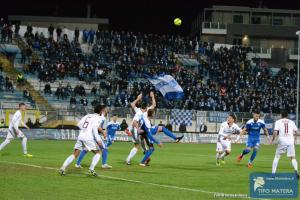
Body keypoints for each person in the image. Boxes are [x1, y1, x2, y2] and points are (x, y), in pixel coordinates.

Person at [59, 105, 108, 176]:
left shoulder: (88, 115)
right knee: (99, 152)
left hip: (81, 136)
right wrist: (98, 140)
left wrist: (85, 129)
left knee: (75, 154)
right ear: (101, 111)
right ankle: (91, 169)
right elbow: (94, 128)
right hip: (88, 137)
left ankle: (63, 168)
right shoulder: (98, 118)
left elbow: (79, 124)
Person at [75, 105, 112, 169]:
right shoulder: (101, 117)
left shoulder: (100, 116)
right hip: (94, 135)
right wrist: (103, 132)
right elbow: (98, 126)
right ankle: (104, 164)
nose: (107, 110)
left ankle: (77, 164)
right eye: (106, 109)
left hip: (90, 135)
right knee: (104, 149)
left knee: (85, 149)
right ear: (103, 110)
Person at [125, 92, 155, 165]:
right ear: (146, 107)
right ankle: (128, 160)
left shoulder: (138, 110)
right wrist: (153, 96)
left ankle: (146, 159)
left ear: (141, 106)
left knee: (142, 143)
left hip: (139, 130)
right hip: (136, 130)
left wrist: (138, 98)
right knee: (137, 145)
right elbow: (154, 105)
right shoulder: (144, 111)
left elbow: (132, 104)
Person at [271, 110, 299, 179]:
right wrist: (295, 140)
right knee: (293, 157)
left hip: (282, 140)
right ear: (287, 115)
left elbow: (275, 132)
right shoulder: (292, 122)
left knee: (277, 157)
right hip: (290, 141)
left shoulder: (278, 122)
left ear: (281, 115)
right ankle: (296, 170)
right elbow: (297, 132)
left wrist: (273, 140)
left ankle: (273, 174)